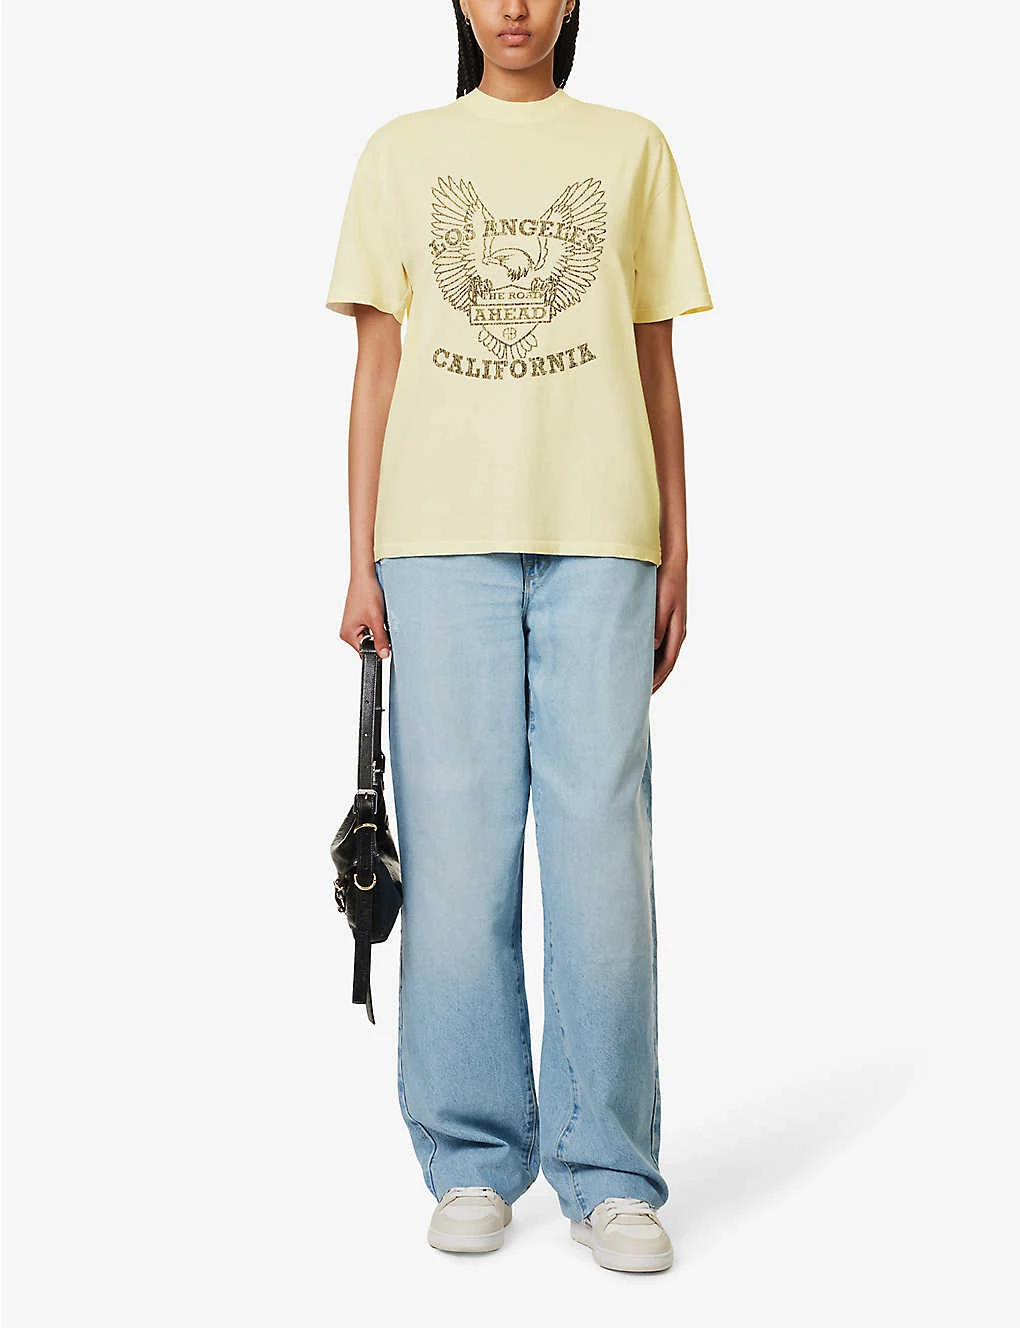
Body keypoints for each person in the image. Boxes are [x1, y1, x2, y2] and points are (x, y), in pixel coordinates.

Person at [325, 0, 712, 1274]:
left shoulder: (632, 149)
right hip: (437, 543)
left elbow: (655, 368)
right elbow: (378, 369)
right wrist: (359, 558)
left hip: (604, 532)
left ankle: (610, 1169)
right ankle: (473, 1152)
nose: (513, 7)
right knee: (457, 848)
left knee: (603, 851)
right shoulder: (401, 153)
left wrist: (677, 545)